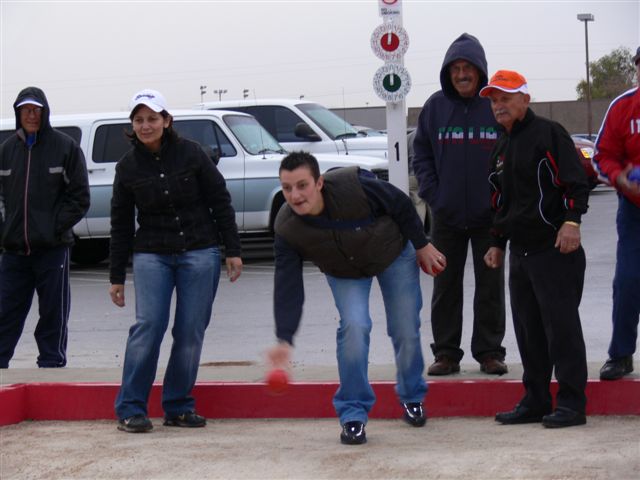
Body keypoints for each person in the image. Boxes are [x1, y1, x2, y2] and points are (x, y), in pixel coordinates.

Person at [267, 151, 446, 445]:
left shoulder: (354, 186)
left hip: (392, 253)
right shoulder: (287, 227)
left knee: (404, 326)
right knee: (354, 327)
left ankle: (412, 395)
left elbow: (400, 203)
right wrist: (284, 339)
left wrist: (421, 245)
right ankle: (353, 414)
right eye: (287, 188)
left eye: (302, 185)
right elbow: (288, 285)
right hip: (344, 269)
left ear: (319, 183)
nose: (295, 195)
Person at [109, 89, 243, 433]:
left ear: (166, 121)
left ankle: (179, 406)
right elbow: (120, 224)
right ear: (132, 126)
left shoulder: (192, 153)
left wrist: (233, 249)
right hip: (151, 255)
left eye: (152, 118)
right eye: (139, 120)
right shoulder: (127, 168)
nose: (146, 125)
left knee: (190, 331)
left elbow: (220, 200)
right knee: (148, 327)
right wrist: (116, 276)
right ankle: (131, 408)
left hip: (199, 251)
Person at [481, 70, 590, 428]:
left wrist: (572, 221)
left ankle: (572, 404)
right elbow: (499, 201)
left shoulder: (549, 133)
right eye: (494, 100)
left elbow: (576, 181)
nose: (499, 106)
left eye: (506, 98)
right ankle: (536, 400)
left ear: (525, 99)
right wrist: (497, 243)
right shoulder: (501, 147)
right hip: (521, 253)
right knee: (529, 332)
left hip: (554, 249)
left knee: (562, 330)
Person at [412, 33, 506, 376]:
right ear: (448, 72)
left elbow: (514, 150)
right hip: (447, 216)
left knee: (490, 287)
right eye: (456, 69)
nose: (462, 74)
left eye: (468, 68)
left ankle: (490, 352)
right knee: (445, 287)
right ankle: (446, 354)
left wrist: (502, 198)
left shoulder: (495, 105)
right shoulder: (435, 107)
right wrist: (434, 195)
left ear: (480, 71)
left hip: (489, 217)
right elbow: (421, 153)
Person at [0, 86, 90, 369]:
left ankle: (51, 364)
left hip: (52, 249)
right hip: (14, 251)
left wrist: (53, 228)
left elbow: (80, 197)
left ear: (45, 112)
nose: (31, 115)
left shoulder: (65, 147)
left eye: (36, 110)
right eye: (25, 110)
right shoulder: (6, 150)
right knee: (5, 311)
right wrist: (4, 230)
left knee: (53, 312)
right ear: (18, 113)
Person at [594, 46, 640, 381]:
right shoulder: (623, 106)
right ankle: (621, 355)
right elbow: (602, 156)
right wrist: (619, 177)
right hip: (634, 211)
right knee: (627, 280)